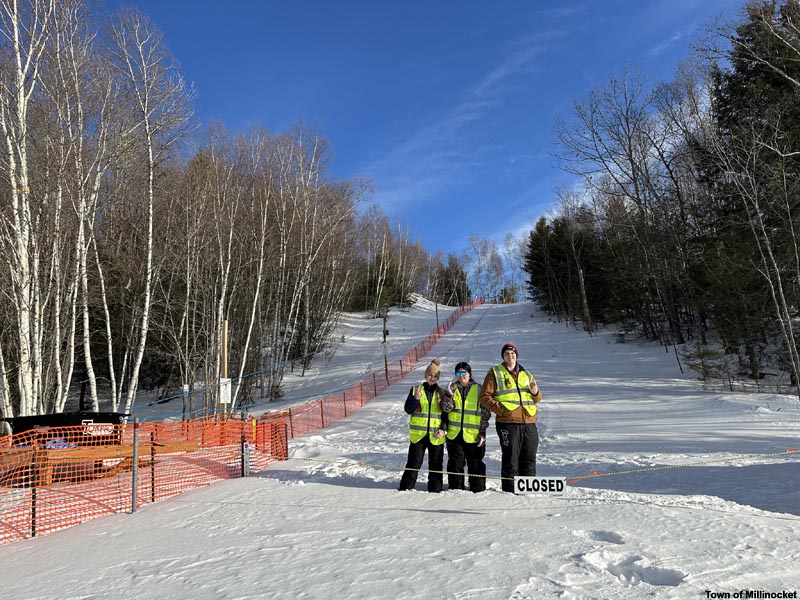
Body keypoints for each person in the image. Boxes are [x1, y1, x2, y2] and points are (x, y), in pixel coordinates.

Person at [479, 343, 541, 493]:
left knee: (529, 457)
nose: (510, 356)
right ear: (503, 356)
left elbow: (537, 398)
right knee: (511, 459)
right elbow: (484, 397)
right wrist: (502, 410)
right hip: (508, 423)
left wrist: (535, 392)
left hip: (529, 421)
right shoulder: (495, 372)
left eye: (512, 354)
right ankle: (510, 492)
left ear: (516, 355)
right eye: (506, 354)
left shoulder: (527, 374)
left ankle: (528, 490)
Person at [398, 358, 448, 493]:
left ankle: (435, 489)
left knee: (436, 464)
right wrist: (416, 399)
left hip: (435, 435)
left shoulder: (442, 393)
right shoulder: (416, 390)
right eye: (430, 375)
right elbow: (408, 409)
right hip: (418, 435)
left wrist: (443, 429)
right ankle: (406, 488)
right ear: (426, 376)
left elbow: (446, 415)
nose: (432, 378)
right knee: (414, 462)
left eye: (435, 376)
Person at [441, 361, 490, 492]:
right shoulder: (451, 388)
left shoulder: (479, 389)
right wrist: (448, 396)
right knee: (455, 464)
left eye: (464, 373)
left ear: (469, 374)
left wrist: (482, 431)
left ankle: (478, 489)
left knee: (476, 463)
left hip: (473, 435)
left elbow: (485, 413)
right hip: (455, 434)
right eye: (458, 373)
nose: (461, 376)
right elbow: (446, 409)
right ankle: (456, 489)